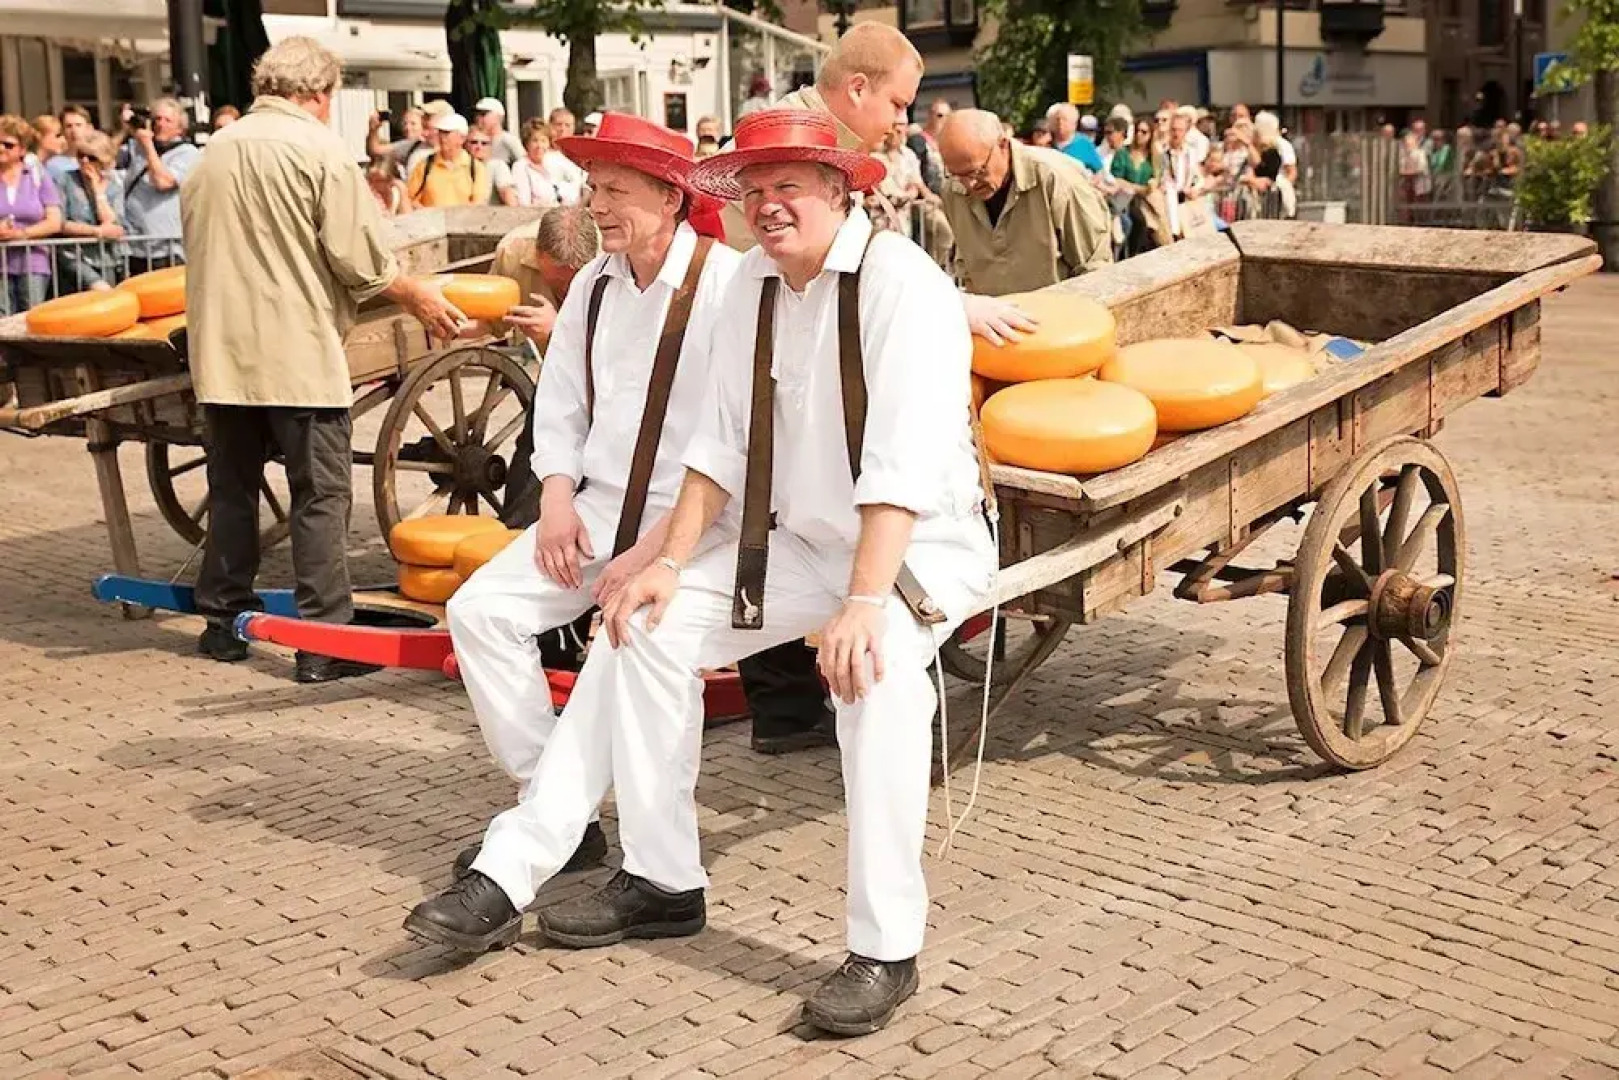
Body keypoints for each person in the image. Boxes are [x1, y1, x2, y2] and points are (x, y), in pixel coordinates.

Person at [405, 109, 995, 1039]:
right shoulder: (751, 285)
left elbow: (900, 466)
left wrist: (863, 604)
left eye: (789, 185)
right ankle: (662, 878)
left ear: (841, 191)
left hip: (915, 546)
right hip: (796, 540)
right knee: (640, 626)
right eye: (752, 188)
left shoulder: (899, 287)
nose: (767, 205)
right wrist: (668, 561)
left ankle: (885, 948)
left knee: (873, 685)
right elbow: (718, 445)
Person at [433, 112, 739, 884]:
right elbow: (561, 404)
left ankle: (640, 857)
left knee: (637, 644)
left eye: (616, 190)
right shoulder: (595, 285)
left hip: (699, 522)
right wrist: (558, 500)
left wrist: (656, 548)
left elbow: (738, 440)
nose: (596, 206)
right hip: (598, 509)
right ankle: (553, 806)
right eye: (592, 188)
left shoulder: (726, 284)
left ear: (670, 198)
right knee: (480, 612)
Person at [182, 36, 463, 683]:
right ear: (319, 93)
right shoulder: (319, 152)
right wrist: (418, 294)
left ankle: (222, 624)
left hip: (221, 357)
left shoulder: (210, 155)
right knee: (320, 498)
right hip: (297, 356)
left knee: (231, 492)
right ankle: (324, 642)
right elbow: (362, 263)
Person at [938, 108, 1112, 297]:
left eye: (977, 172)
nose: (969, 184)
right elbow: (967, 271)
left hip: (1062, 318)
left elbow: (1095, 270)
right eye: (957, 175)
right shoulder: (953, 192)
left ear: (1002, 145)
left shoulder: (1057, 180)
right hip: (997, 321)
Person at [121, 98, 199, 273]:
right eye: (157, 119)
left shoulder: (188, 153)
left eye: (167, 120)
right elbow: (104, 156)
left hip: (166, 249)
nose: (160, 124)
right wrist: (125, 128)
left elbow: (163, 182)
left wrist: (148, 145)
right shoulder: (138, 147)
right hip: (135, 246)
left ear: (180, 128)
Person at [0, 116, 62, 315]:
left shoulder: (37, 175)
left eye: (8, 144)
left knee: (31, 319)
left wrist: (21, 234)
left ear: (22, 149)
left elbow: (54, 221)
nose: (1, 148)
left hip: (33, 261)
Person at [57, 129, 127, 291]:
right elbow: (62, 223)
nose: (84, 161)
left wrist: (97, 191)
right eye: (81, 155)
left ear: (104, 160)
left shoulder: (114, 187)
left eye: (91, 157)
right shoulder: (66, 180)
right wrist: (96, 232)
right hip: (74, 257)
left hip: (107, 258)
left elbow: (113, 224)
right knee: (102, 291)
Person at [406, 112, 489, 208]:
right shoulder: (424, 166)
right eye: (440, 133)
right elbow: (410, 198)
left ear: (462, 138)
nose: (442, 137)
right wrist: (427, 215)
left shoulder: (476, 168)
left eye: (447, 133)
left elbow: (477, 204)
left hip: (463, 222)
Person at [467, 127, 517, 206]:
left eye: (484, 143)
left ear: (491, 146)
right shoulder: (459, 166)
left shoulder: (497, 165)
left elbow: (507, 194)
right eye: (474, 142)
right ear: (466, 145)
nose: (479, 147)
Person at [1047, 103, 1103, 173]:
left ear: (1074, 123)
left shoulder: (1084, 144)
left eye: (1065, 119)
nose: (1060, 123)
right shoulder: (1044, 142)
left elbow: (1099, 171)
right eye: (1057, 119)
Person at [473, 97, 524, 167]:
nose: (478, 118)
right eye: (477, 114)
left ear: (498, 116)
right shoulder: (473, 140)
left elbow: (524, 165)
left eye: (483, 114)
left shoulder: (508, 140)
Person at [365, 150, 407, 217]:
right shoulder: (365, 192)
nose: (374, 184)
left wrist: (401, 189)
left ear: (391, 180)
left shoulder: (397, 191)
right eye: (370, 179)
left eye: (380, 180)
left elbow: (408, 218)